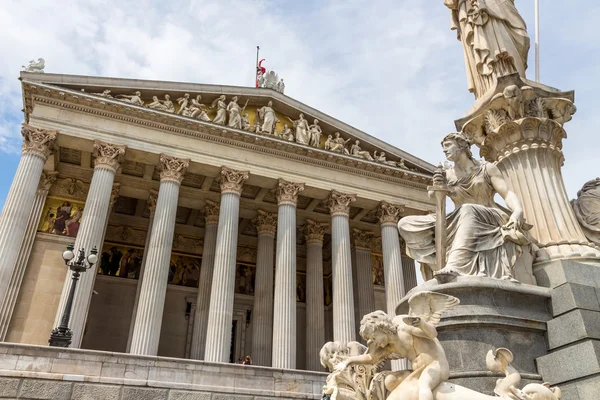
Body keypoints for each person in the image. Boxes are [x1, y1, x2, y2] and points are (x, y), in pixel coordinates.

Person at [398, 132, 534, 280]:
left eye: (448, 145)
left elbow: (506, 193)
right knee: (405, 224)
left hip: (489, 215)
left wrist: (518, 211)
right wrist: (438, 186)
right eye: (443, 147)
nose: (445, 150)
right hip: (458, 218)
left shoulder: (486, 168)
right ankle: (437, 264)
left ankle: (457, 265)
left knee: (467, 209)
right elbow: (434, 199)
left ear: (462, 146)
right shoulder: (447, 175)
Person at [335, 292, 458, 400]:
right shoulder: (389, 346)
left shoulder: (403, 326)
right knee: (390, 381)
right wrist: (349, 361)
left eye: (374, 337)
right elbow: (371, 358)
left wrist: (421, 324)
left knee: (424, 385)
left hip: (435, 366)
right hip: (419, 371)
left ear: (382, 328)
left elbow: (432, 334)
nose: (374, 342)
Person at [443, 0, 530, 98]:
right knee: (489, 51)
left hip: (498, 6)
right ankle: (495, 85)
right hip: (475, 10)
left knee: (516, 41)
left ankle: (512, 84)